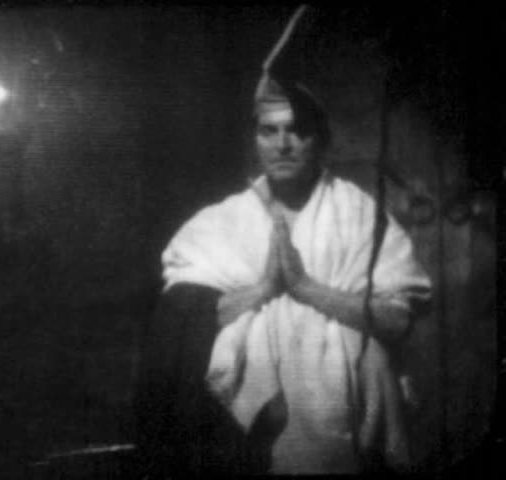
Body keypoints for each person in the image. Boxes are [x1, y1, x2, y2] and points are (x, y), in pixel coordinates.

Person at [135, 14, 431, 477]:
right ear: (255, 140)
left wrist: (308, 289)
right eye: (268, 131)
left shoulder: (360, 215)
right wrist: (264, 289)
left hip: (353, 433)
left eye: (298, 130)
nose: (283, 144)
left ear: (320, 141)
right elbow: (183, 324)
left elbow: (398, 321)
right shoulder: (218, 223)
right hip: (247, 443)